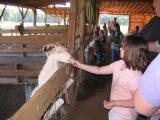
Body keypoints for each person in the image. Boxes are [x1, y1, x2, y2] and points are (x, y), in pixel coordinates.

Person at [71, 35, 150, 120]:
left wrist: (115, 103)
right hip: (115, 110)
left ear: (131, 52)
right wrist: (79, 65)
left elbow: (136, 102)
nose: (120, 48)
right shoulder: (120, 64)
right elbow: (99, 70)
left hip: (125, 116)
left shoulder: (135, 77)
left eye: (123, 48)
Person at [134, 0, 160, 119]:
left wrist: (135, 46)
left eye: (156, 1)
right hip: (145, 69)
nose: (153, 4)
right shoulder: (155, 20)